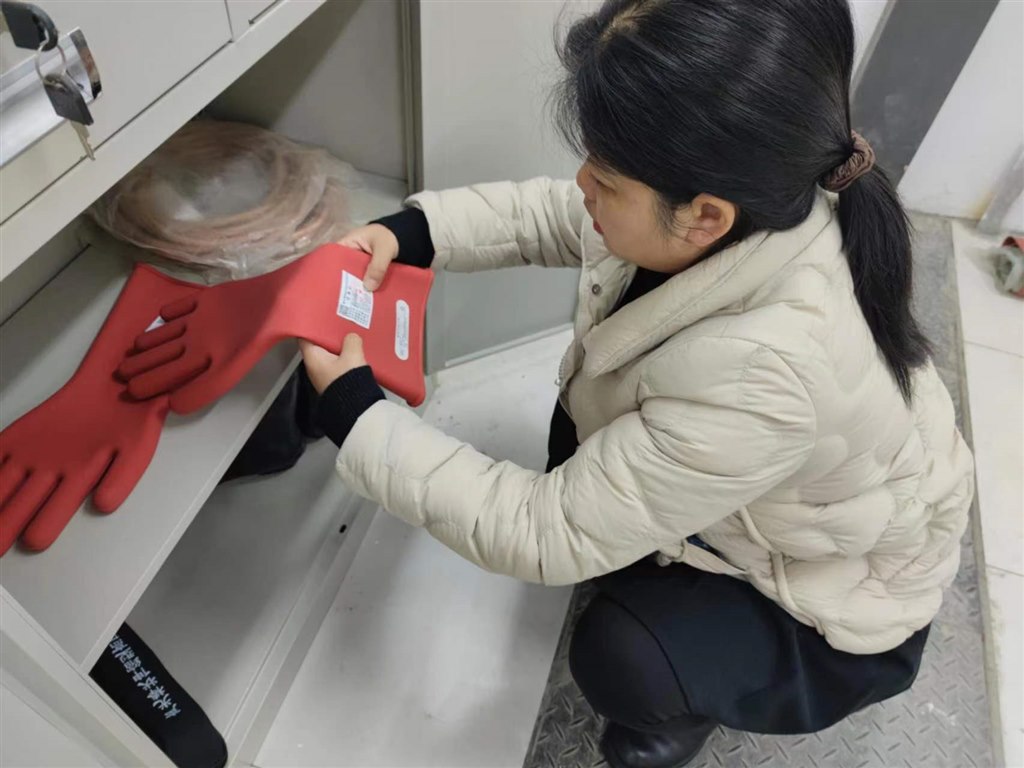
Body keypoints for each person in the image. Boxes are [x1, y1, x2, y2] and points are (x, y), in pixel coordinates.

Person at [298, 1, 975, 766]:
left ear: (704, 218)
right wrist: (416, 232)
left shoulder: (767, 373)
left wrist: (358, 417)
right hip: (794, 487)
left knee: (624, 651)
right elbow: (559, 215)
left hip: (833, 600)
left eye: (606, 177)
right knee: (580, 429)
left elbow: (544, 532)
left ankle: (671, 720)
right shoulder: (757, 184)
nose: (582, 184)